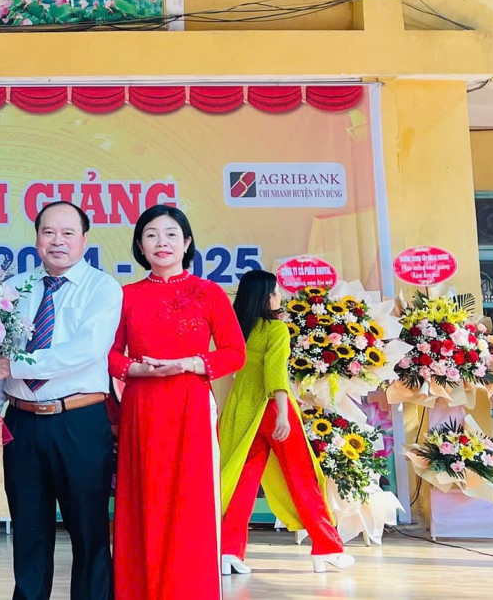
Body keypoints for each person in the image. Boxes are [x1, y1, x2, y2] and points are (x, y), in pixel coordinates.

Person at [109, 204, 245, 600]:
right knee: (144, 499)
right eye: (151, 235)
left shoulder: (209, 292)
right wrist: (138, 370)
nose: (161, 242)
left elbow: (235, 353)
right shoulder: (126, 296)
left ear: (186, 243)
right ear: (140, 246)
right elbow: (109, 355)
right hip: (141, 406)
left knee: (191, 500)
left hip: (190, 405)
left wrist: (189, 363)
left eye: (171, 234)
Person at [0, 201, 120, 600]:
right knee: (29, 532)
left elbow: (85, 351)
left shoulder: (103, 288)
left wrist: (15, 365)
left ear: (84, 239)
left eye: (67, 233)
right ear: (36, 239)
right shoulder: (13, 289)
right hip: (22, 423)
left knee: (89, 532)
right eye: (48, 232)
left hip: (79, 422)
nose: (57, 241)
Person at [219, 270, 354, 575]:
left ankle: (228, 552)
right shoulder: (276, 328)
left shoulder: (237, 329)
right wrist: (283, 410)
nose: (279, 296)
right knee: (302, 477)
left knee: (242, 482)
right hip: (272, 409)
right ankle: (327, 547)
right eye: (276, 291)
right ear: (266, 297)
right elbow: (275, 373)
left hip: (242, 410)